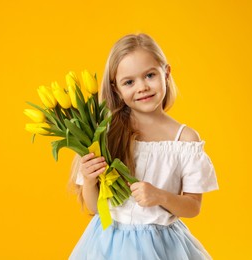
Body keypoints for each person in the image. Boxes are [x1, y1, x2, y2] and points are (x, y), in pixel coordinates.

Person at [69, 33, 219, 260]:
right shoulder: (106, 133)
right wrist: (90, 180)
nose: (142, 87)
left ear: (166, 73)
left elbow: (193, 207)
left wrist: (160, 197)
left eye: (150, 75)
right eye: (129, 82)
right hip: (108, 244)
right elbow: (96, 208)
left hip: (163, 247)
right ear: (116, 88)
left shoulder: (185, 140)